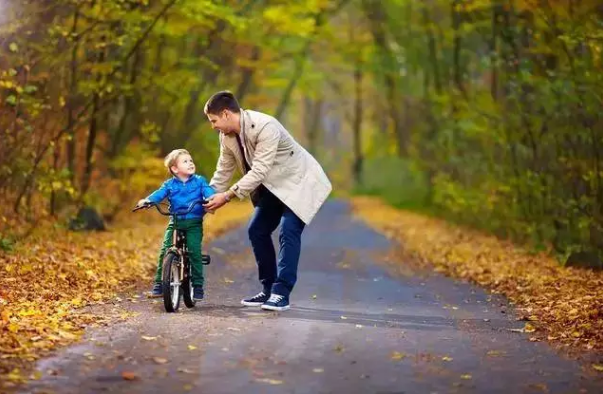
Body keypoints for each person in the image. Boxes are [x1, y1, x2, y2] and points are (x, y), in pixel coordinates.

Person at [202, 91, 332, 311]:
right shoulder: (226, 136)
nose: (213, 126)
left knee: (288, 231)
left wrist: (227, 196)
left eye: (214, 121)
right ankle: (269, 289)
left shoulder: (265, 126)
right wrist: (205, 199)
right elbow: (223, 170)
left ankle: (281, 293)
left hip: (300, 183)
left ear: (225, 114)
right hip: (274, 186)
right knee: (257, 230)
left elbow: (260, 170)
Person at [136, 149, 215, 300]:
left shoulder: (199, 181)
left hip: (193, 223)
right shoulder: (169, 184)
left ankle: (197, 285)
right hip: (176, 222)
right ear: (175, 169)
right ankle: (159, 283)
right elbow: (159, 194)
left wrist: (211, 197)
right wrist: (148, 201)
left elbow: (208, 191)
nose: (190, 163)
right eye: (185, 161)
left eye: (191, 160)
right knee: (165, 250)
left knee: (193, 250)